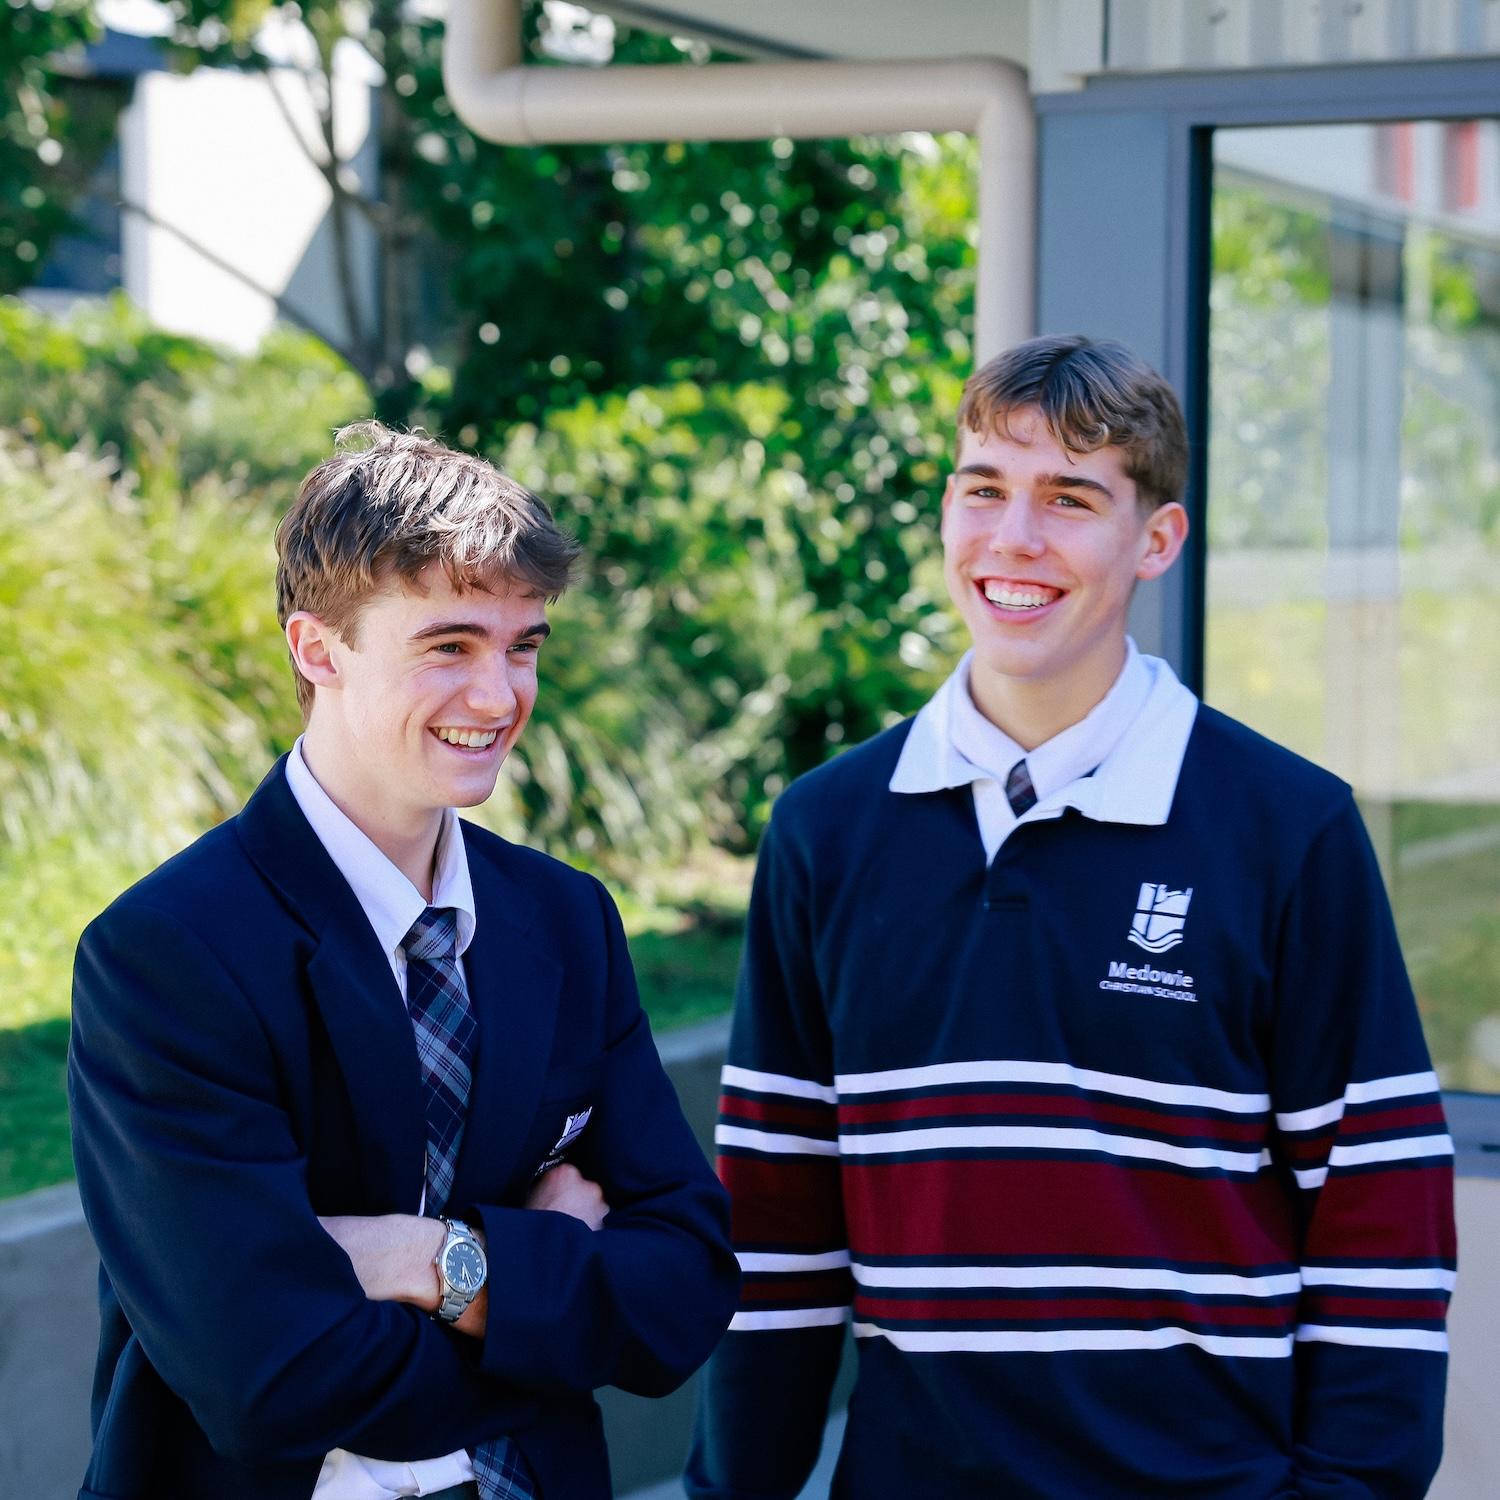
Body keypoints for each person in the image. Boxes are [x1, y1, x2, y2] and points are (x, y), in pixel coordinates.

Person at [685, 335, 1455, 1499]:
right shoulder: (825, 833)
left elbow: (1379, 1212)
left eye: (1071, 498)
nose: (1014, 539)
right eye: (984, 489)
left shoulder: (1287, 828)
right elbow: (780, 1228)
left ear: (1156, 540)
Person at [69, 423, 739, 1500]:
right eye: (450, 645)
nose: (499, 695)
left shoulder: (566, 922)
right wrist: (545, 1281)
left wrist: (432, 1262)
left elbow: (683, 1298)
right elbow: (268, 1379)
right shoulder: (169, 955)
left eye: (523, 646)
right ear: (317, 649)